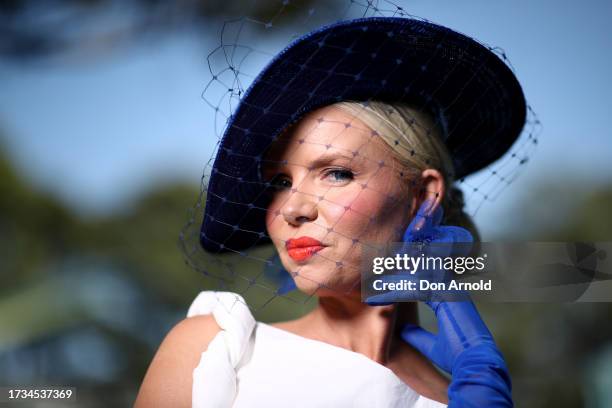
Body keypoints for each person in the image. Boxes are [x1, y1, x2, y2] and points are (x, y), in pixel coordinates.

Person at [135, 16, 525, 407]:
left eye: (336, 173)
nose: (293, 208)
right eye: (279, 183)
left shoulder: (465, 397)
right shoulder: (219, 348)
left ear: (424, 195)